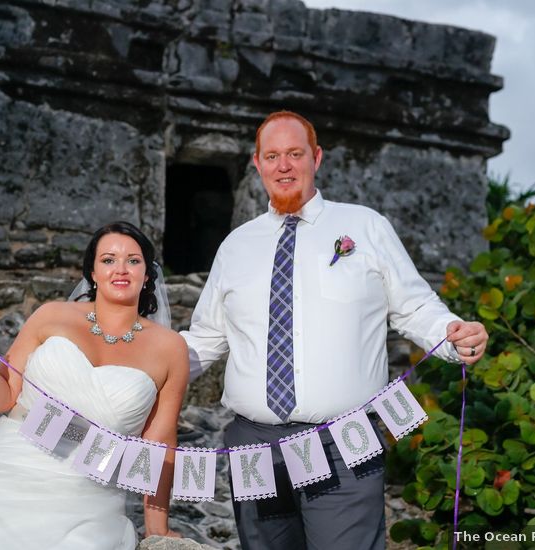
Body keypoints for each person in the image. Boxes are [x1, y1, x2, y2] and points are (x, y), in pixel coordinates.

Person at [181, 111, 489, 550]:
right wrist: (142, 369)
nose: (283, 166)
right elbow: (207, 337)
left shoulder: (366, 226)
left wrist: (453, 334)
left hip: (344, 442)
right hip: (254, 446)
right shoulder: (235, 246)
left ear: (317, 158)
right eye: (272, 156)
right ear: (257, 163)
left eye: (294, 154)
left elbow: (415, 306)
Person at [0, 221, 189, 549]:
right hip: (6, 471)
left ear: (147, 274)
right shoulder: (50, 316)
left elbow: (159, 446)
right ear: (93, 273)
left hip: (91, 493)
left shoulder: (170, 348)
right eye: (109, 260)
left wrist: (158, 531)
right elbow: (4, 399)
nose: (121, 269)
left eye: (133, 260)